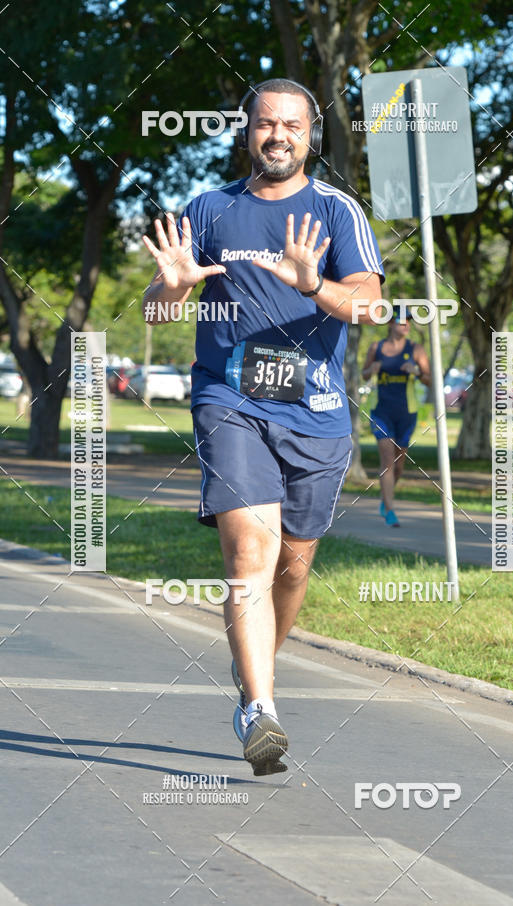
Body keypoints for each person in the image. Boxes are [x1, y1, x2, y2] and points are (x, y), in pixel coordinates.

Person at [141, 78, 384, 775]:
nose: (278, 135)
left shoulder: (337, 212)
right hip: (230, 400)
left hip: (317, 413)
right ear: (246, 132)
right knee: (251, 550)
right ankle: (260, 709)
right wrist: (174, 287)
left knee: (293, 563)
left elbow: (371, 308)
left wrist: (313, 285)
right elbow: (158, 314)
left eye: (292, 125)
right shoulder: (209, 209)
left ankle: (254, 676)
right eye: (265, 124)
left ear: (312, 136)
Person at [361, 308, 430, 527]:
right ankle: (390, 511)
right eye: (402, 321)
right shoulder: (376, 348)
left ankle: (385, 498)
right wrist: (372, 369)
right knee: (387, 461)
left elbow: (429, 379)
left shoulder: (415, 349)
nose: (406, 325)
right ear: (390, 323)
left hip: (406, 413)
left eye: (409, 321)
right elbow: (363, 375)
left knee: (399, 466)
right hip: (381, 412)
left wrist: (417, 371)